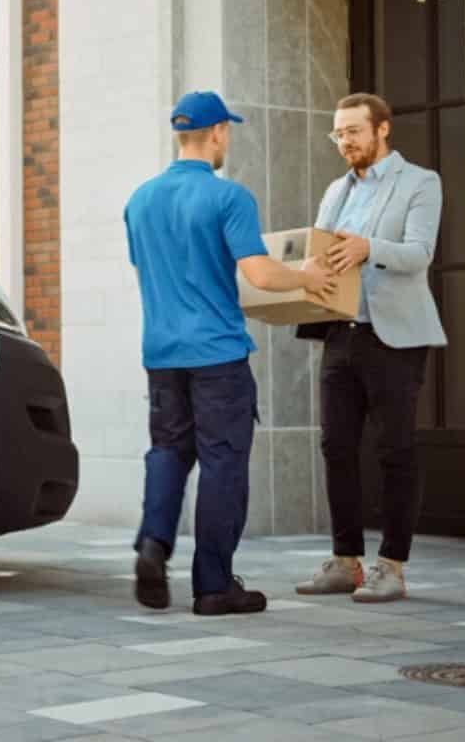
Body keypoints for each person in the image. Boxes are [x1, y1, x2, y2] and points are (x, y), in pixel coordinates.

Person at [126, 91, 335, 615]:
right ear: (218, 132)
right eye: (228, 132)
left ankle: (153, 545)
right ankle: (214, 586)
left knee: (168, 451)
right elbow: (260, 274)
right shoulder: (229, 197)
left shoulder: (140, 200)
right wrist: (307, 276)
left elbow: (157, 271)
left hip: (162, 354)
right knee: (222, 463)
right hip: (217, 354)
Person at [294, 93, 445, 604]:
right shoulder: (336, 190)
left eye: (353, 131)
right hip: (341, 331)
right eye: (338, 133)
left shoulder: (420, 182)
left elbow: (419, 254)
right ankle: (346, 562)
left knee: (394, 449)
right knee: (336, 446)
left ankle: (392, 566)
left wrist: (368, 248)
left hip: (395, 336)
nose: (345, 142)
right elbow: (322, 251)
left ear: (382, 129)